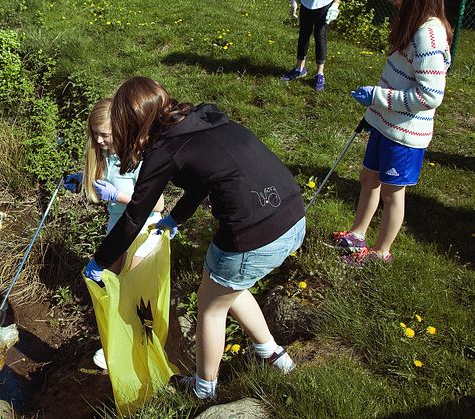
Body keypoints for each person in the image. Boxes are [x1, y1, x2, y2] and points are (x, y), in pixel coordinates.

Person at [83, 77, 306, 400]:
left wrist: (99, 261)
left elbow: (135, 216)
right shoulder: (204, 117)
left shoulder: (162, 151)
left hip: (253, 232)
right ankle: (273, 354)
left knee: (210, 307)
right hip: (293, 216)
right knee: (228, 288)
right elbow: (205, 179)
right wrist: (176, 217)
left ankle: (204, 389)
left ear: (133, 121)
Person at [332, 0, 452, 266]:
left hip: (405, 133)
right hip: (385, 123)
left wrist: (378, 96)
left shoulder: (429, 34)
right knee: (368, 178)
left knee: (392, 193)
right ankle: (357, 234)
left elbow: (430, 95)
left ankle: (380, 252)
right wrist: (375, 110)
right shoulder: (412, 24)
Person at [65, 98, 165, 370]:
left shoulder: (139, 158)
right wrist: (81, 180)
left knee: (134, 292)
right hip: (119, 228)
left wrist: (117, 195)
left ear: (121, 129)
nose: (98, 140)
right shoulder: (105, 156)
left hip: (144, 230)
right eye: (94, 133)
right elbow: (103, 182)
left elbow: (158, 204)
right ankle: (122, 346)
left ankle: (135, 349)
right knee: (117, 287)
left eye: (104, 135)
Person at [281, 0, 341, 91]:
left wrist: (336, 4)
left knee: (320, 35)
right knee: (304, 34)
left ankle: (319, 74)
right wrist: (293, 2)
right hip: (306, 4)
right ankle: (299, 69)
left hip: (324, 4)